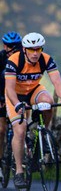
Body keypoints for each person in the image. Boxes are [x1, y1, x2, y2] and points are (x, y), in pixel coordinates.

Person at [4, 32, 61, 188]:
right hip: (15, 95)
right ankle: (19, 172)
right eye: (31, 49)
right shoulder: (14, 60)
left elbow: (57, 82)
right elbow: (9, 89)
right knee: (20, 131)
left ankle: (44, 134)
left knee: (48, 102)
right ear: (25, 49)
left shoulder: (46, 59)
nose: (35, 53)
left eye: (38, 49)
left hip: (34, 90)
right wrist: (17, 104)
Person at [0, 32, 23, 182]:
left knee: (22, 127)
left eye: (17, 46)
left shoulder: (23, 58)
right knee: (1, 130)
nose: (13, 49)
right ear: (5, 46)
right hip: (1, 97)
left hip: (18, 96)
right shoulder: (1, 58)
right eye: (10, 47)